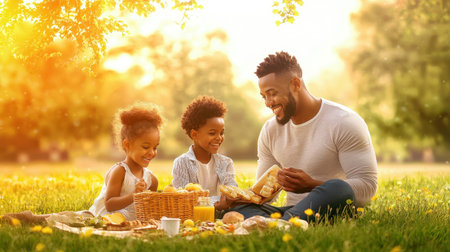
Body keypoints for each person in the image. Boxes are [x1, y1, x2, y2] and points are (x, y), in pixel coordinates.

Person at [233, 51, 378, 221]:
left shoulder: (344, 121)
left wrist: (311, 185)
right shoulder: (270, 129)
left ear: (295, 84)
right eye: (264, 96)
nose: (268, 103)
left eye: (272, 93)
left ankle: (280, 222)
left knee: (338, 188)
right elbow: (263, 194)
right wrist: (236, 200)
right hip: (290, 210)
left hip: (330, 206)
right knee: (238, 209)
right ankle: (286, 221)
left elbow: (367, 187)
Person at [2, 102, 163, 223]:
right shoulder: (120, 171)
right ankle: (27, 218)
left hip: (124, 224)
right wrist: (133, 195)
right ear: (127, 145)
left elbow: (149, 209)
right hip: (97, 218)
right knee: (65, 219)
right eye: (146, 146)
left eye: (155, 147)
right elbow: (110, 205)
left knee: (68, 217)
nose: (152, 152)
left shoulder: (151, 179)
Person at [171, 96, 238, 205]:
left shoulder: (226, 163)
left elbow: (232, 193)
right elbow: (182, 199)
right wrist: (215, 204)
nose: (219, 138)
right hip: (193, 217)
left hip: (222, 217)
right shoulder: (182, 163)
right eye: (212, 133)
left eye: (221, 133)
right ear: (194, 134)